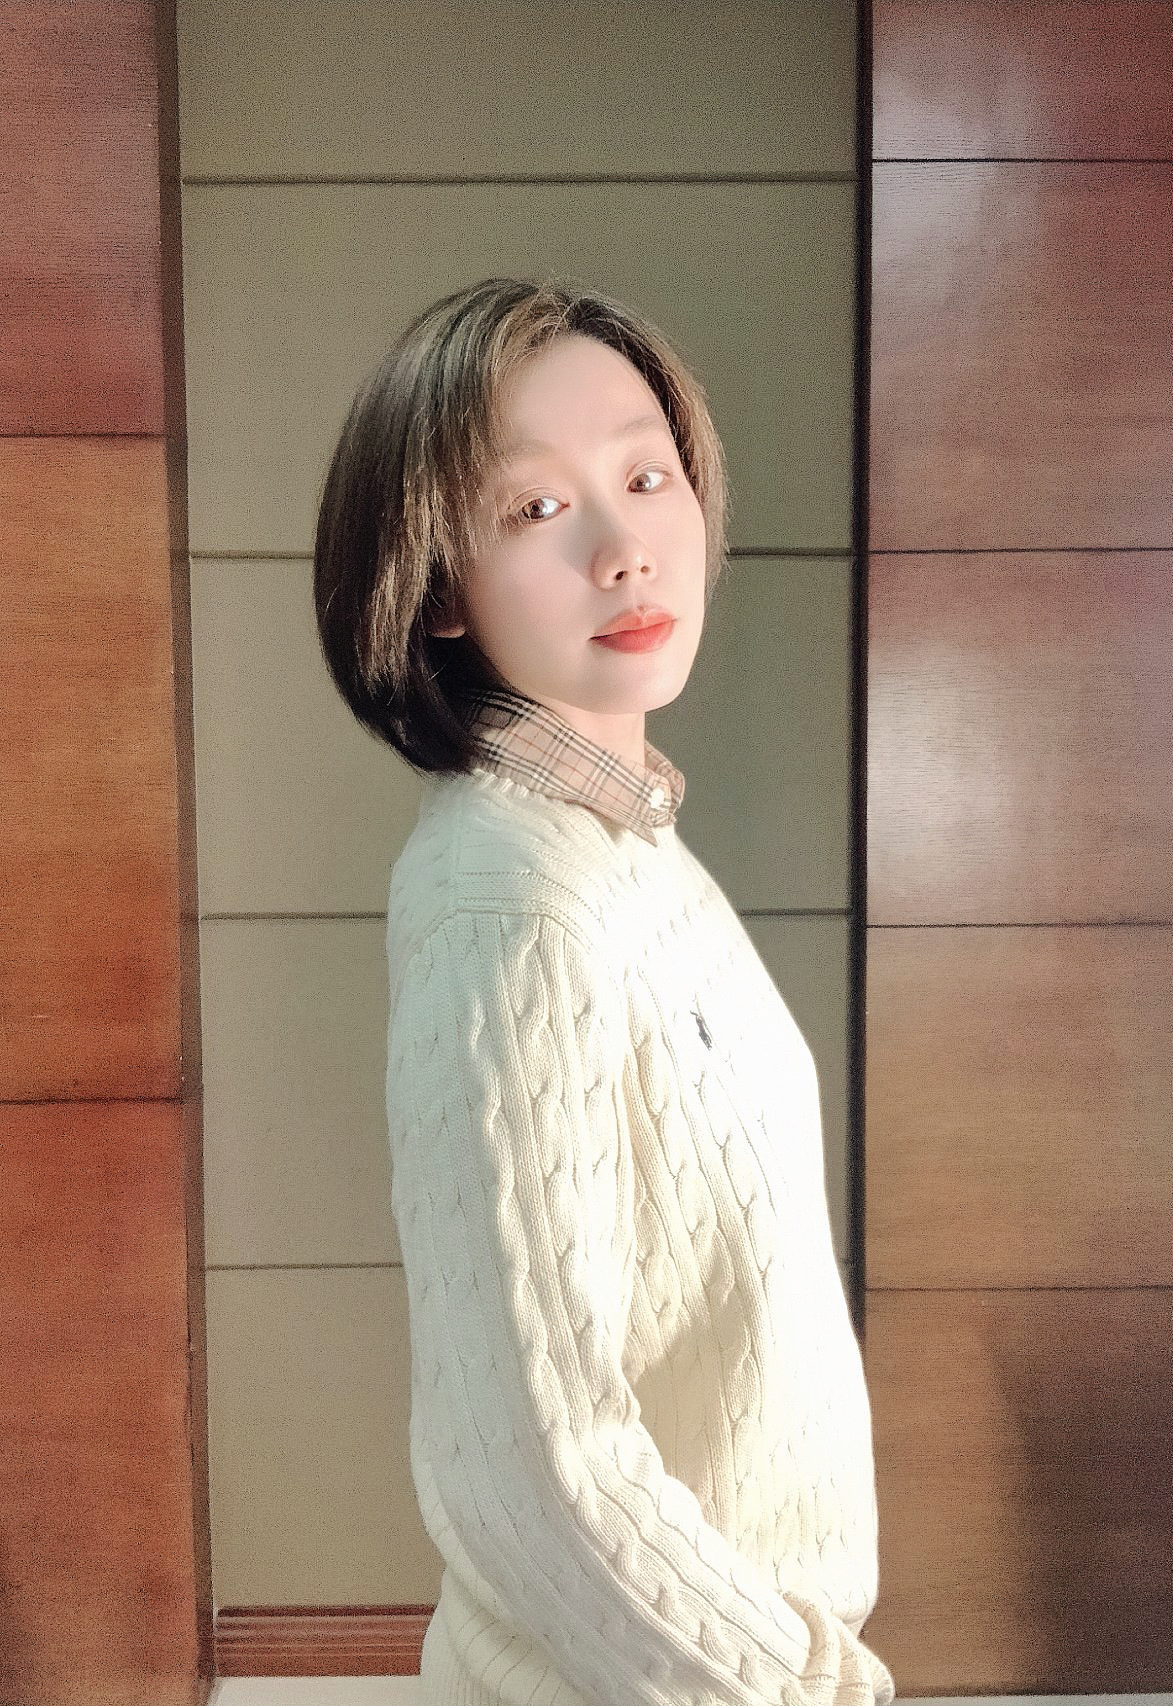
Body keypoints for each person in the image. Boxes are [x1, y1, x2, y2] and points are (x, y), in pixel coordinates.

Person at [314, 277, 894, 1706]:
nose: (625, 548)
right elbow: (534, 1464)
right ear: (436, 589)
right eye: (535, 508)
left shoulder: (625, 841)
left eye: (644, 477)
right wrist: (797, 1687)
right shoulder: (514, 901)